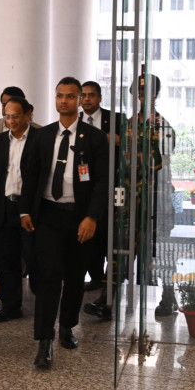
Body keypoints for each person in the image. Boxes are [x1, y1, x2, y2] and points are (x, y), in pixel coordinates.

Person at [20, 77, 108, 369]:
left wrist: (92, 217)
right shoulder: (42, 136)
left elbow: (102, 181)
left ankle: (68, 325)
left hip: (80, 217)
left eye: (71, 96)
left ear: (79, 100)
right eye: (60, 95)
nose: (64, 101)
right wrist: (25, 211)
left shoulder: (94, 138)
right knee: (48, 276)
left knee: (74, 276)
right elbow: (30, 175)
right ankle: (44, 341)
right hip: (48, 215)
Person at [83, 72, 167, 321]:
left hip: (153, 200)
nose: (142, 97)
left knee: (158, 255)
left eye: (146, 93)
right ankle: (106, 302)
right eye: (138, 93)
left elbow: (158, 163)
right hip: (128, 198)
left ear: (155, 95)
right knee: (119, 251)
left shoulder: (161, 125)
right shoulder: (129, 122)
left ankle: (168, 298)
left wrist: (125, 144)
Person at [0, 96, 38, 323]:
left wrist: (30, 210)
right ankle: (11, 305)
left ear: (28, 114)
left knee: (34, 257)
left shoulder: (40, 139)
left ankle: (42, 300)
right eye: (7, 117)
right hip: (3, 207)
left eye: (16, 116)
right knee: (6, 260)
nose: (11, 121)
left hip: (30, 209)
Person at [79, 80, 123, 292]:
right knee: (89, 235)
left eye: (91, 95)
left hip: (112, 182)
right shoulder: (75, 119)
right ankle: (95, 276)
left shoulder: (115, 119)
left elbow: (126, 143)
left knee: (108, 231)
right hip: (83, 183)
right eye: (83, 95)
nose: (87, 99)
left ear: (100, 98)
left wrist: (103, 137)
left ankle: (111, 278)